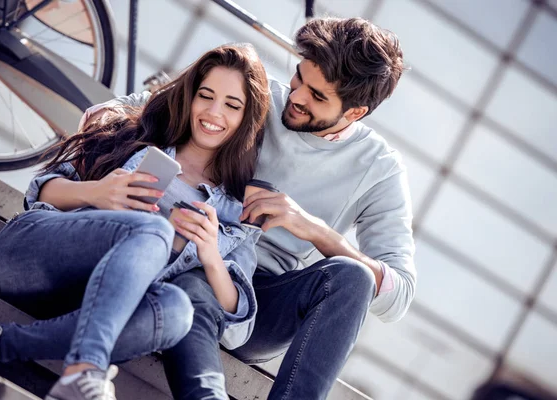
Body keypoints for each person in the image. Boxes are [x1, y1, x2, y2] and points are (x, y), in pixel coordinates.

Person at [91, 17, 416, 399]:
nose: (296, 97)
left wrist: (311, 228)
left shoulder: (380, 168)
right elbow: (113, 112)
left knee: (353, 276)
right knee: (196, 283)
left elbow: (398, 295)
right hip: (180, 251)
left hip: (260, 304)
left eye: (318, 96)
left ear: (355, 113)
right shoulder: (254, 95)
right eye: (300, 78)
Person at [0, 43, 270, 400]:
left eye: (232, 105)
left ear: (248, 118)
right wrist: (97, 193)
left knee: (178, 310)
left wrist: (212, 256)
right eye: (206, 96)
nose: (214, 113)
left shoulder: (236, 214)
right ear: (191, 95)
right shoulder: (137, 133)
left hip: (91, 307)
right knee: (154, 229)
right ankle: (86, 369)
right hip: (31, 258)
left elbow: (237, 329)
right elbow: (40, 191)